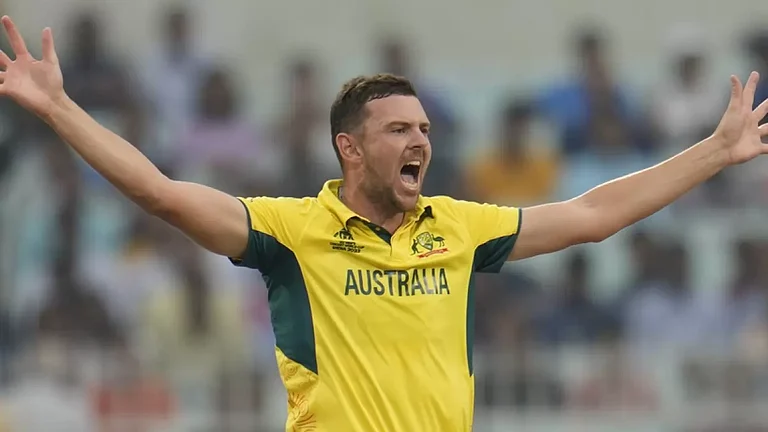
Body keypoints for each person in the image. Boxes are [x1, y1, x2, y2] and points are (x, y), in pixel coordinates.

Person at [0, 16, 767, 432]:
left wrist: (714, 150)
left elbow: (592, 214)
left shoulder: (458, 227)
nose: (421, 141)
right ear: (350, 146)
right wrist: (61, 108)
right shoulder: (292, 233)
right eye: (399, 128)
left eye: (425, 127)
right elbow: (164, 194)